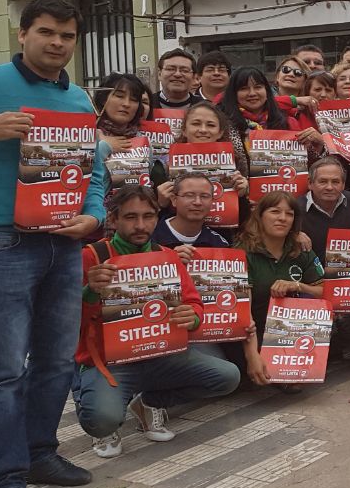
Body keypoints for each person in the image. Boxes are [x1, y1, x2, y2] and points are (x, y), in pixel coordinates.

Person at [0, 0, 107, 488]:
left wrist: (93, 217)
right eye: (46, 32)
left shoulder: (81, 100)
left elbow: (94, 172)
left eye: (66, 35)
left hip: (63, 245)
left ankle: (40, 453)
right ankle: (4, 481)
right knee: (4, 370)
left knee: (56, 361)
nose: (57, 43)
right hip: (2, 244)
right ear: (22, 34)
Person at [75, 186, 241, 458]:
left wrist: (193, 316)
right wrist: (89, 291)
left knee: (227, 377)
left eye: (148, 216)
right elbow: (65, 320)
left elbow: (193, 302)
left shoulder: (168, 256)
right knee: (101, 418)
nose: (140, 225)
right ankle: (92, 402)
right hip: (111, 362)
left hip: (162, 354)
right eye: (130, 217)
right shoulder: (92, 257)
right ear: (113, 220)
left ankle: (149, 403)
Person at [238, 192, 326, 393]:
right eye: (275, 211)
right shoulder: (243, 252)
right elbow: (243, 313)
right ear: (260, 216)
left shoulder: (300, 248)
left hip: (291, 329)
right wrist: (253, 356)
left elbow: (326, 292)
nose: (282, 218)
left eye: (289, 214)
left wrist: (297, 285)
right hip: (255, 331)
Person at [300, 157, 350, 259]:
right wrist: (292, 236)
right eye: (323, 181)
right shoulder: (294, 209)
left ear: (343, 184)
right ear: (310, 183)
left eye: (335, 182)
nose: (329, 187)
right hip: (308, 272)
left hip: (346, 272)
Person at [150, 172, 232, 249]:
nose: (197, 202)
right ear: (174, 200)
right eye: (189, 196)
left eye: (204, 196)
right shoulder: (150, 238)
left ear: (212, 201)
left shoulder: (219, 245)